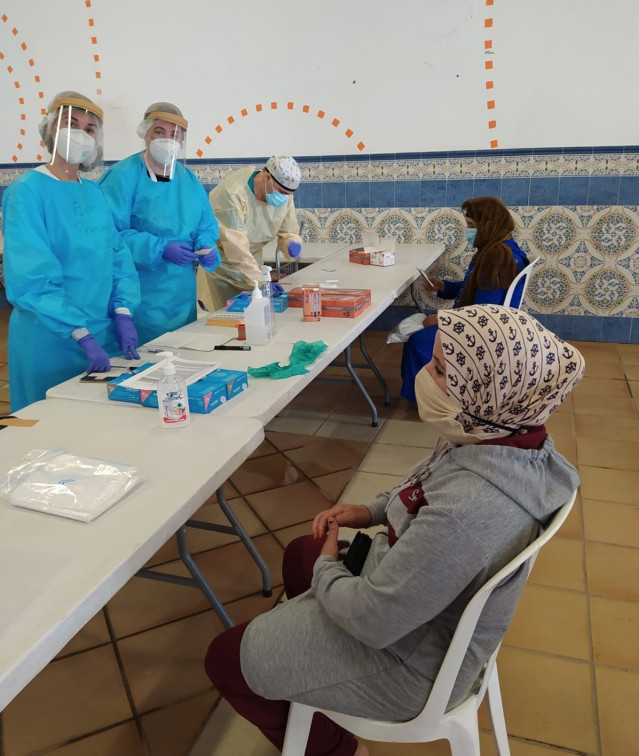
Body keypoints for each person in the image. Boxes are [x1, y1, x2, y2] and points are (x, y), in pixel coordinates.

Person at [204, 304, 584, 756]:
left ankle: (341, 749)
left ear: (488, 391)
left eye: (441, 369)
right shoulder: (503, 434)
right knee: (298, 555)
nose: (426, 373)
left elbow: (373, 618)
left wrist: (329, 565)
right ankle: (313, 682)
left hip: (407, 661)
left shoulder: (468, 509)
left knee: (224, 659)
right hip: (415, 610)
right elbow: (423, 490)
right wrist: (368, 512)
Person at [2, 91, 141, 412]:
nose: (81, 133)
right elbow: (30, 278)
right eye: (71, 123)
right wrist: (79, 332)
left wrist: (122, 312)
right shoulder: (27, 192)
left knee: (95, 431)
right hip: (52, 337)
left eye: (90, 129)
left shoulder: (93, 192)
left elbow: (117, 257)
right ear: (50, 130)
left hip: (102, 333)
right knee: (50, 431)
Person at [99, 102, 221, 345]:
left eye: (175, 134)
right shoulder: (122, 177)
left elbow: (205, 224)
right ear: (145, 134)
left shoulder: (188, 179)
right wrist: (159, 248)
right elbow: (108, 235)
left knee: (180, 357)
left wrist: (206, 243)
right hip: (138, 295)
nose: (168, 139)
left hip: (181, 297)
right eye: (159, 132)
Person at [401, 196, 529, 403]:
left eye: (471, 226)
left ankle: (431, 401)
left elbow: (483, 312)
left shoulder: (497, 258)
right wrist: (443, 287)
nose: (468, 231)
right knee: (421, 333)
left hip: (485, 329)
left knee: (418, 341)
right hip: (486, 321)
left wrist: (441, 319)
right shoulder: (501, 248)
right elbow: (476, 288)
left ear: (488, 224)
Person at [197, 154, 303, 311]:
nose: (284, 197)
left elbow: (287, 230)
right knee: (226, 324)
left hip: (253, 267)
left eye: (288, 194)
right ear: (267, 177)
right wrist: (261, 281)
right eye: (281, 191)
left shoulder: (284, 193)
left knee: (255, 321)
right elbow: (236, 249)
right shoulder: (232, 194)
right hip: (222, 272)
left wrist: (291, 243)